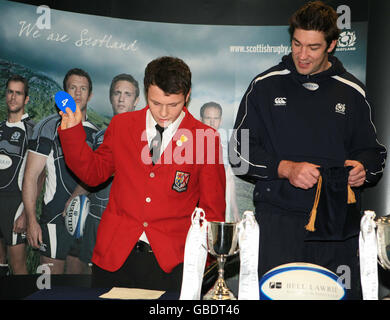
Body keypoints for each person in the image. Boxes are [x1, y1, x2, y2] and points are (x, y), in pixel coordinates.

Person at [229, 1, 386, 300]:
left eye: (313, 47)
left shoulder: (353, 92)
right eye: (297, 44)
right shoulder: (264, 85)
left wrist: (363, 168)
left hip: (337, 225)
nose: (302, 55)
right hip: (278, 223)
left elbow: (373, 154)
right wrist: (285, 169)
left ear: (332, 45)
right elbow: (239, 153)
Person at [58, 56, 226, 291]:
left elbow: (212, 211)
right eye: (156, 103)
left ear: (187, 96)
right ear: (146, 91)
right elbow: (93, 174)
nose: (164, 113)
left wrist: (201, 266)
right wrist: (72, 132)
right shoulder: (121, 125)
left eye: (174, 104)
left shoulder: (205, 139)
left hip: (171, 264)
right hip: (114, 258)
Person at [23, 68, 98, 274]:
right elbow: (31, 177)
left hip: (84, 220)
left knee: (79, 287)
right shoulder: (48, 126)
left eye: (83, 88)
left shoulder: (96, 133)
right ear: (64, 93)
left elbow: (97, 176)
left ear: (90, 94)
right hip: (54, 219)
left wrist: (77, 196)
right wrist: (31, 220)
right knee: (48, 287)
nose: (78, 93)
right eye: (72, 88)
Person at [79, 73, 140, 267]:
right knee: (92, 280)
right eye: (117, 93)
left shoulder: (147, 137)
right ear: (110, 97)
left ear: (136, 100)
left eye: (127, 94)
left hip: (126, 224)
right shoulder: (99, 135)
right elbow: (94, 174)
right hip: (96, 219)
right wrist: (75, 196)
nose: (121, 98)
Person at [0, 75, 38, 274]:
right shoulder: (0, 128)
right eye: (10, 92)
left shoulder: (31, 130)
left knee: (18, 267)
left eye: (19, 93)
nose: (13, 97)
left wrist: (26, 213)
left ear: (26, 99)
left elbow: (40, 176)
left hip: (15, 204)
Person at [200, 102, 240, 222]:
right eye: (208, 118)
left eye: (216, 118)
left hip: (215, 204)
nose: (212, 122)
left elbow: (229, 178)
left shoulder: (226, 146)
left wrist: (235, 211)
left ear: (221, 120)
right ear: (201, 119)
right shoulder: (190, 141)